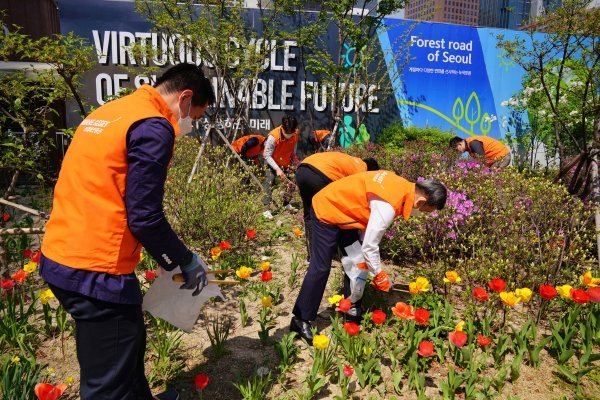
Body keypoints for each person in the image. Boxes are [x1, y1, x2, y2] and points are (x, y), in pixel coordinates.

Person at [39, 63, 216, 400]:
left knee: (128, 339)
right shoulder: (153, 126)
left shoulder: (115, 111)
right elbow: (145, 217)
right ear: (185, 98)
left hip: (62, 249)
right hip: (96, 269)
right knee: (107, 385)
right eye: (195, 116)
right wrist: (182, 260)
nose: (190, 124)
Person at [290, 171, 447, 342]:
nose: (421, 214)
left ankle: (351, 307)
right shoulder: (389, 203)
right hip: (327, 209)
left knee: (358, 262)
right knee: (321, 267)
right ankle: (300, 319)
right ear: (421, 201)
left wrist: (369, 264)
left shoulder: (403, 187)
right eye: (425, 211)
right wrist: (378, 274)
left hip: (348, 214)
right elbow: (370, 245)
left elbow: (367, 231)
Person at [295, 151, 379, 261]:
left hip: (302, 170)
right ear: (371, 170)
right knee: (333, 215)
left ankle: (312, 256)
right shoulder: (362, 170)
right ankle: (340, 252)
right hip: (321, 175)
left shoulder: (353, 160)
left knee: (309, 215)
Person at [262, 115, 300, 206]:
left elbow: (293, 147)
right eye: (287, 133)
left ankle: (286, 204)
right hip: (272, 162)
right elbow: (266, 155)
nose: (289, 135)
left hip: (286, 161)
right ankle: (266, 208)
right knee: (269, 181)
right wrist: (277, 169)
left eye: (291, 133)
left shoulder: (295, 133)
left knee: (291, 182)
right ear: (282, 127)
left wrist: (294, 160)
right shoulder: (273, 137)